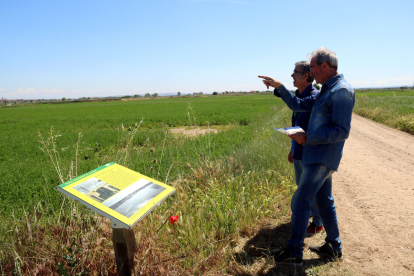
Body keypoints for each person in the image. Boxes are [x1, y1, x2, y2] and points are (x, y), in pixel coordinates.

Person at [258, 47, 355, 266]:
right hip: (316, 153)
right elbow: (297, 104)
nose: (310, 72)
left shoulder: (341, 91)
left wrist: (308, 137)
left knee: (300, 199)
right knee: (324, 201)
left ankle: (294, 252)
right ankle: (333, 247)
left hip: (322, 156)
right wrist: (280, 87)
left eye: (312, 67)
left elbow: (342, 131)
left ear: (324, 66)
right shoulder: (326, 90)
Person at [288, 61, 323, 235]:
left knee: (311, 190)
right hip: (298, 151)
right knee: (300, 184)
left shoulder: (315, 96)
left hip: (310, 151)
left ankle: (318, 221)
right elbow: (296, 124)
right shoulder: (298, 95)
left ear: (306, 75)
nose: (292, 75)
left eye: (295, 72)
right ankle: (307, 213)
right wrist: (292, 148)